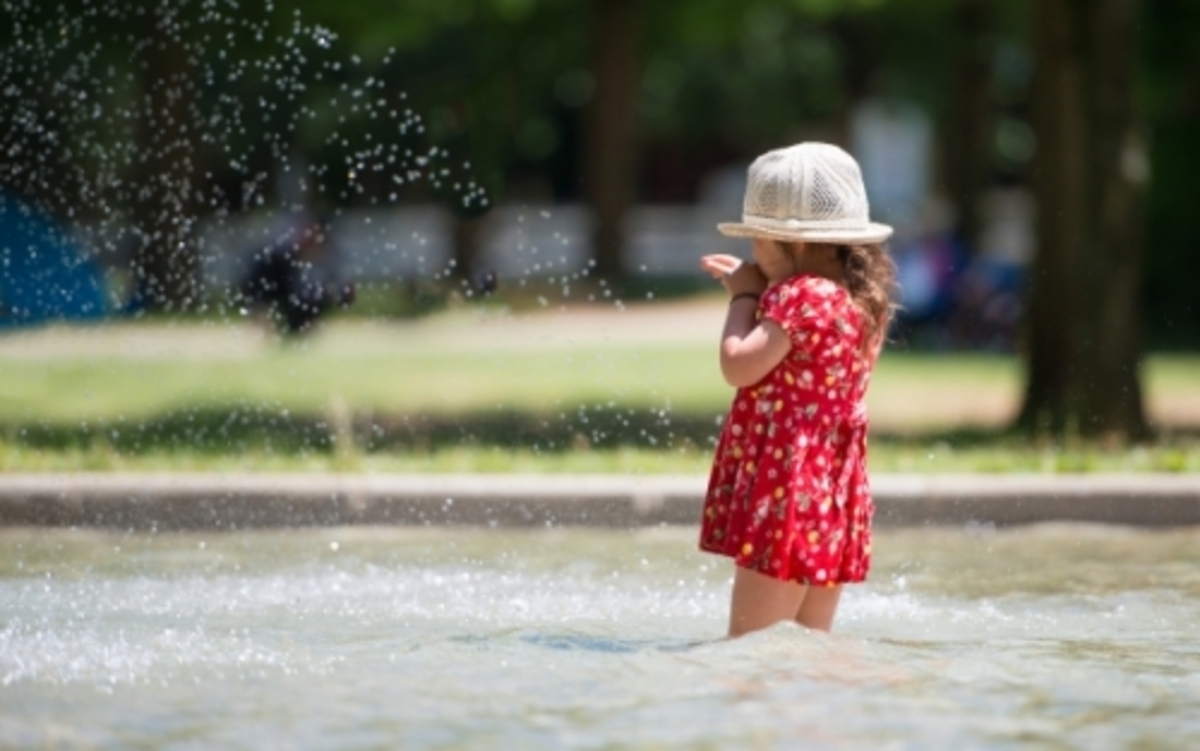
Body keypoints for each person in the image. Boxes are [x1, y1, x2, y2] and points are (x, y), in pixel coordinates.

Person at [698, 142, 897, 637]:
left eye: (759, 242)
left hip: (786, 493)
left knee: (750, 652)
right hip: (830, 493)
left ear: (798, 244)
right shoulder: (859, 299)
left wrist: (743, 295)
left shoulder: (799, 295)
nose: (752, 255)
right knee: (806, 651)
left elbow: (739, 365)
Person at [238, 212, 355, 336]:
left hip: (303, 305)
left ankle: (302, 326)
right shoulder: (278, 260)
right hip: (283, 295)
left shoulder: (330, 259)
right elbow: (256, 284)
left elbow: (341, 288)